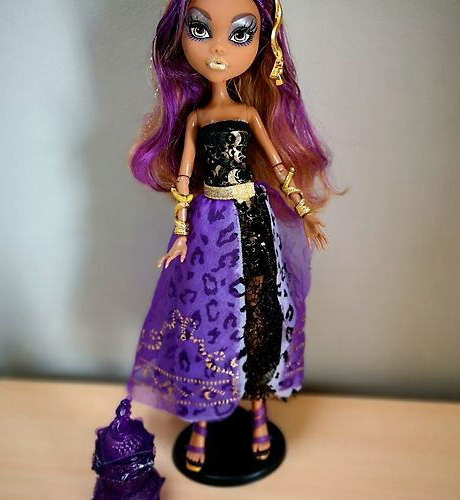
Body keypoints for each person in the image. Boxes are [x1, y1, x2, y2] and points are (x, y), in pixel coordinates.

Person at [127, 0, 344, 473]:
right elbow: (184, 178)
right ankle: (202, 420)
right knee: (207, 317)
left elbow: (279, 165)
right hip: (210, 222)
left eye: (240, 33)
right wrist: (181, 232)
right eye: (201, 30)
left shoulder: (247, 113)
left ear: (262, 42)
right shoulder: (196, 119)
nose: (219, 49)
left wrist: (304, 212)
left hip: (252, 217)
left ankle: (259, 411)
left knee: (260, 313)